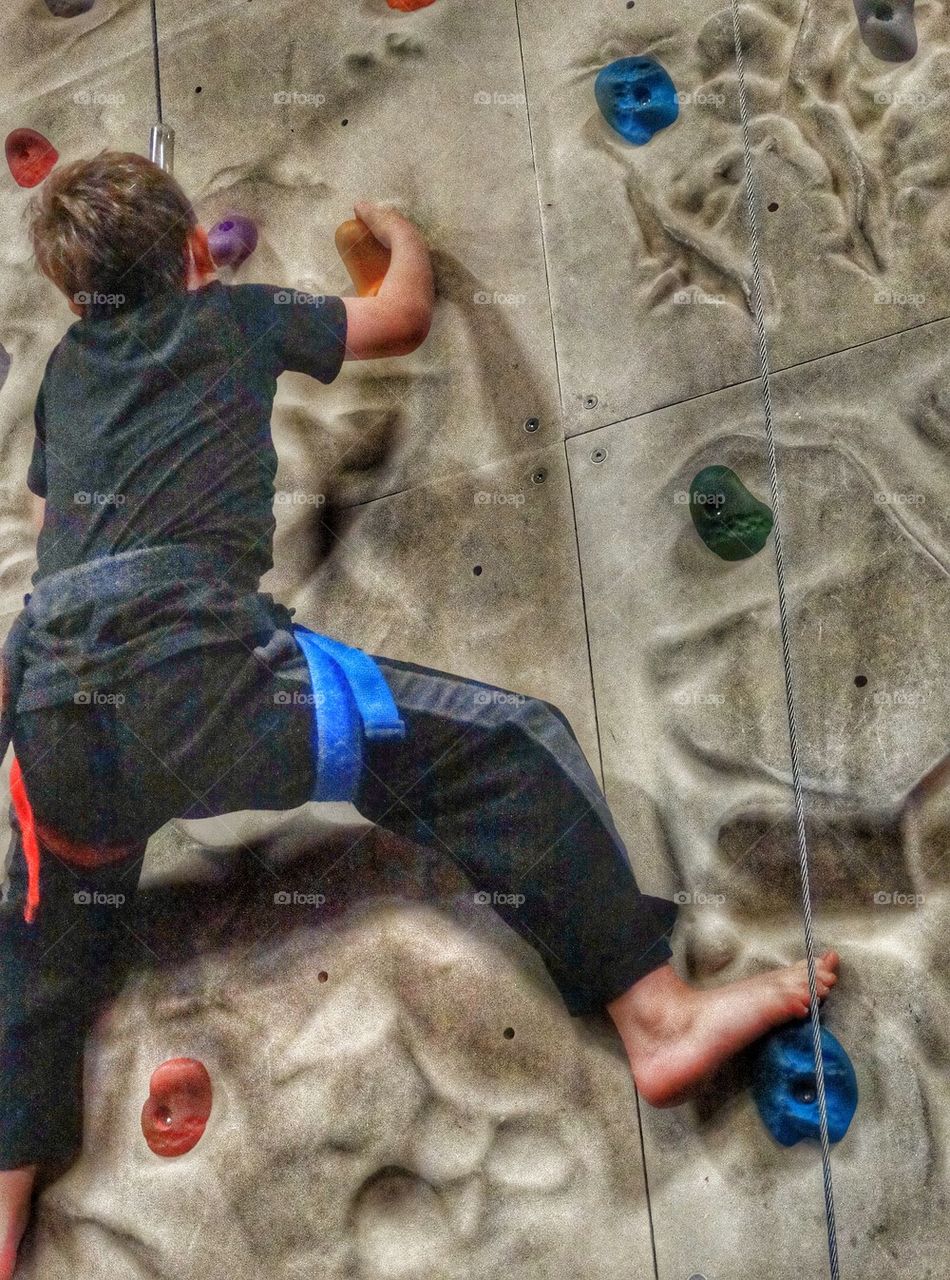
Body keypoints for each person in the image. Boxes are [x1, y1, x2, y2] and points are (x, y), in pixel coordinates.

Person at [0, 151, 838, 1276]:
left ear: (70, 301)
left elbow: (66, 515)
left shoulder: (63, 378)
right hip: (211, 684)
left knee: (39, 954)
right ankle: (656, 1015)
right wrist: (396, 232)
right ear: (198, 256)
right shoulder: (242, 320)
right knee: (504, 747)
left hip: (52, 711)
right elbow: (398, 318)